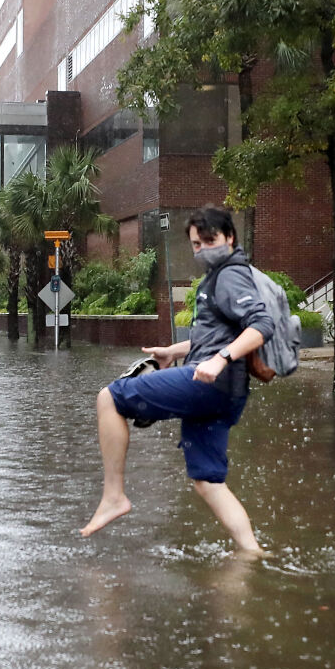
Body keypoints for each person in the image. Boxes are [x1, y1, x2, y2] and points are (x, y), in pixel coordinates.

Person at [80, 205, 273, 555]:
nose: (202, 250)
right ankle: (252, 554)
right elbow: (217, 335)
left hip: (209, 382)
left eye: (210, 240)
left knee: (110, 397)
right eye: (196, 244)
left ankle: (114, 496)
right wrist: (173, 350)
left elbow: (261, 326)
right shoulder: (221, 276)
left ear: (230, 237)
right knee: (208, 480)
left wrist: (219, 360)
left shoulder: (230, 275)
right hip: (225, 392)